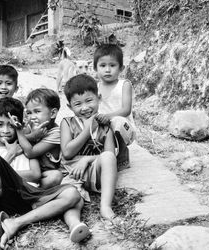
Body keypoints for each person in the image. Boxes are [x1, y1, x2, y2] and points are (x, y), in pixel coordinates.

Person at [0, 97, 90, 249]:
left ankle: (16, 223)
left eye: (11, 125)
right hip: (3, 197)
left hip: (29, 197)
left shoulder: (26, 148)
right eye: (0, 125)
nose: (5, 130)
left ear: (19, 125)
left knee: (73, 194)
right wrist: (10, 155)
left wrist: (8, 173)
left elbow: (35, 174)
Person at [60, 74, 118, 220]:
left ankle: (105, 207)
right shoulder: (67, 123)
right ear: (69, 106)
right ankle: (75, 225)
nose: (85, 108)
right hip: (72, 173)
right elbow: (67, 153)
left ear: (98, 98)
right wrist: (88, 129)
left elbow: (110, 155)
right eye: (78, 104)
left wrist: (86, 159)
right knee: (72, 200)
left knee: (108, 157)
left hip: (95, 173)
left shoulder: (105, 126)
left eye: (89, 100)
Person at [94, 44, 136, 166]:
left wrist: (107, 116)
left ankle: (123, 154)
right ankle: (105, 156)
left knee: (116, 121)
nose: (107, 70)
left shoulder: (124, 85)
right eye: (102, 65)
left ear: (121, 68)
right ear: (96, 68)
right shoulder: (95, 88)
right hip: (103, 126)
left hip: (123, 128)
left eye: (112, 65)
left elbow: (126, 110)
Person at [14, 88, 64, 188]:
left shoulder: (56, 133)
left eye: (37, 111)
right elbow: (16, 140)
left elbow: (30, 153)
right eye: (29, 113)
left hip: (43, 174)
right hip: (27, 169)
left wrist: (29, 136)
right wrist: (31, 135)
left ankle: (34, 193)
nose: (32, 117)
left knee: (55, 176)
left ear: (53, 113)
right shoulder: (31, 125)